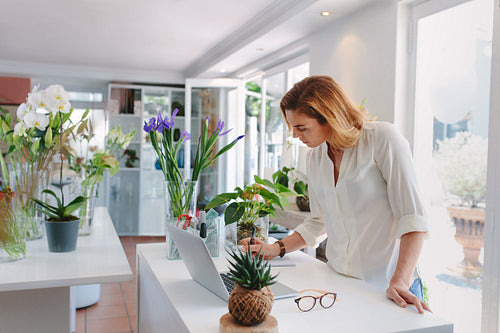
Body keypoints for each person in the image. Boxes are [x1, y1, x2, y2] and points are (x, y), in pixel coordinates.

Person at [241, 75, 430, 314]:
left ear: (328, 116)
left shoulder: (382, 139)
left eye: (301, 128)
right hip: (341, 285)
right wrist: (277, 248)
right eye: (293, 128)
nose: (295, 136)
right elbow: (319, 221)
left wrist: (400, 280)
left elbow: (413, 219)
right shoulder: (316, 157)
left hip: (390, 289)